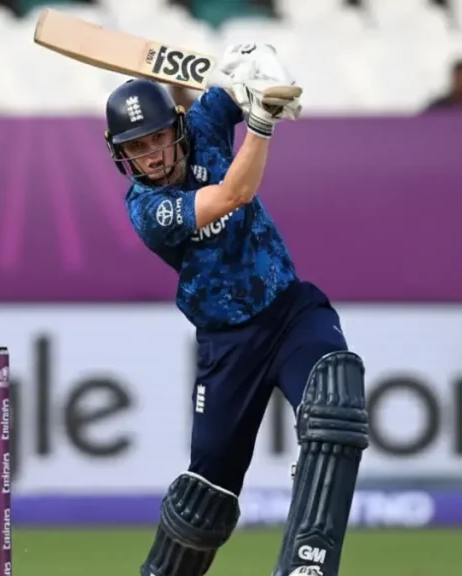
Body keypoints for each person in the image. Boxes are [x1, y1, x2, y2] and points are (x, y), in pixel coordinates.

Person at [105, 46, 369, 576]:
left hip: (290, 313)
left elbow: (232, 81)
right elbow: (234, 194)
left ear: (175, 126)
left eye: (157, 137)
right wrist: (263, 123)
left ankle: (306, 564)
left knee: (334, 406)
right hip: (227, 345)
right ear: (122, 157)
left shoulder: (202, 124)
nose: (153, 155)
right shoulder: (146, 208)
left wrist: (253, 68)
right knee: (204, 498)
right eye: (138, 148)